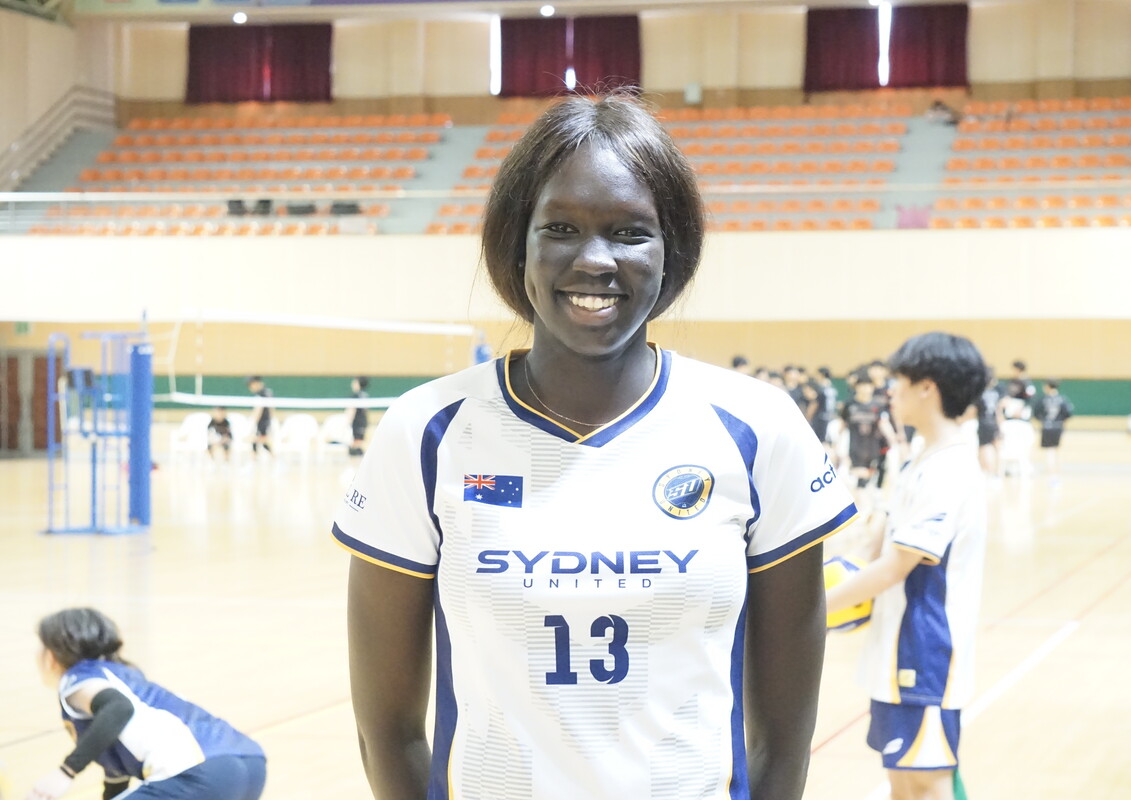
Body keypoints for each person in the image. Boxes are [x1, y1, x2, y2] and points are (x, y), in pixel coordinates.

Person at [333, 94, 858, 800]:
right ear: (516, 242)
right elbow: (387, 729)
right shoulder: (426, 433)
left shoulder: (758, 430)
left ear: (672, 249)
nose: (595, 260)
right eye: (560, 228)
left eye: (630, 232)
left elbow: (784, 742)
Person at [827, 332, 988, 800]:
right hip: (897, 649)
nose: (890, 392)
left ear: (927, 387)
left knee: (927, 783)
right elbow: (879, 550)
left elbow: (896, 566)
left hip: (925, 652)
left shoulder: (948, 470)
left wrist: (813, 610)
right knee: (902, 782)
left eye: (898, 381)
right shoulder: (921, 459)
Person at [27, 608, 265, 800]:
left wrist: (66, 772)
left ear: (51, 655)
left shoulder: (78, 679)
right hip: (249, 764)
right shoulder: (125, 674)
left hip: (196, 773)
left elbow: (118, 708)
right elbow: (117, 777)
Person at [842, 372, 897, 505]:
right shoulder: (849, 405)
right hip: (854, 449)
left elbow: (884, 423)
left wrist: (893, 439)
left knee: (869, 483)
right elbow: (842, 425)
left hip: (872, 449)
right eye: (863, 386)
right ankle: (859, 508)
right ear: (857, 387)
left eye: (868, 386)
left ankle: (869, 507)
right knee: (854, 482)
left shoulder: (877, 406)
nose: (866, 389)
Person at [1032, 379, 1073, 483]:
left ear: (1047, 387)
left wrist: (1042, 421)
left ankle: (1052, 475)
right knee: (1056, 450)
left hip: (1046, 426)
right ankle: (1056, 474)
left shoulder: (1043, 399)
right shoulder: (1062, 399)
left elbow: (1036, 413)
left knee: (1049, 451)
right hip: (1058, 426)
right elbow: (1068, 413)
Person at [970, 369, 1003, 476]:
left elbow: (973, 411)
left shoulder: (979, 394)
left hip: (983, 423)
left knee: (984, 447)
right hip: (994, 423)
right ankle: (996, 471)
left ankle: (987, 472)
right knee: (996, 447)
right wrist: (1000, 426)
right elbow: (998, 412)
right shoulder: (996, 393)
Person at [246, 377, 272, 458]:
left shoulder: (262, 395)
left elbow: (258, 411)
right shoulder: (268, 392)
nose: (251, 388)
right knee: (256, 443)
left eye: (251, 385)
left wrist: (252, 424)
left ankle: (275, 459)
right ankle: (253, 460)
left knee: (262, 442)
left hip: (263, 424)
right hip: (264, 423)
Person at [348, 377, 370, 457]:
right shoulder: (365, 395)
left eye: (355, 383)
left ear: (359, 384)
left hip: (357, 422)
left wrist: (349, 421)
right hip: (363, 421)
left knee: (356, 442)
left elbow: (352, 409)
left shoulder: (355, 396)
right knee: (358, 441)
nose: (352, 384)